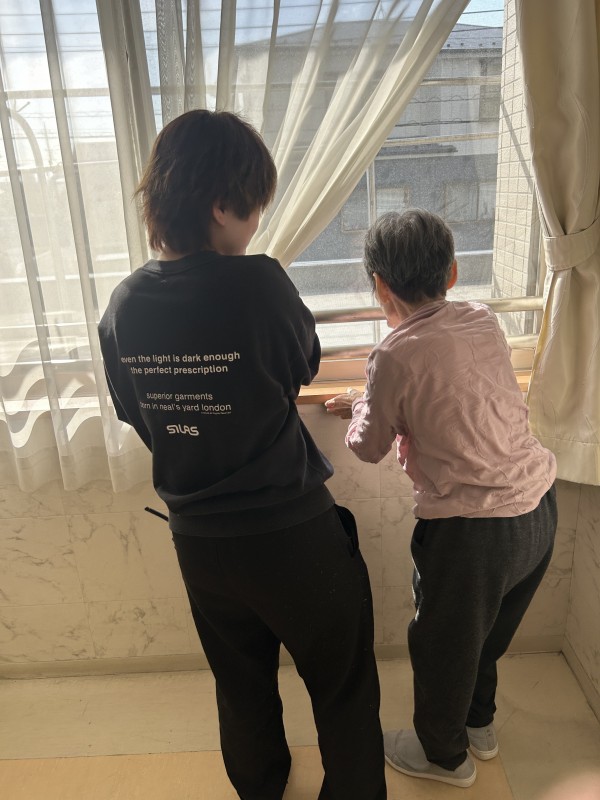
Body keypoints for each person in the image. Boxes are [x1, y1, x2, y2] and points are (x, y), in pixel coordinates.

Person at [98, 109, 386, 800]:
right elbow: (302, 364)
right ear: (221, 205)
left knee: (239, 680)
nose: (257, 223)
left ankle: (260, 788)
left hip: (198, 540)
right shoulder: (258, 282)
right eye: (254, 207)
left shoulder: (124, 303)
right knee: (342, 680)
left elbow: (136, 412)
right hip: (290, 534)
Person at [325, 208, 557, 789]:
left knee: (442, 646)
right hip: (538, 507)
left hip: (471, 532)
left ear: (379, 285)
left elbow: (368, 445)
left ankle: (444, 757)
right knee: (486, 635)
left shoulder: (392, 354)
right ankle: (479, 725)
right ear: (452, 272)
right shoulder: (482, 319)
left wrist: (363, 402)